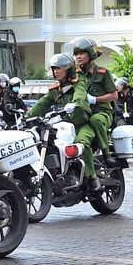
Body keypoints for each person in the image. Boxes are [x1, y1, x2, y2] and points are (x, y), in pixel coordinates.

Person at [25, 53, 97, 188]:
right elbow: (42, 104)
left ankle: (92, 177)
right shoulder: (55, 90)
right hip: (62, 126)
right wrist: (26, 118)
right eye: (54, 69)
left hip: (81, 125)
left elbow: (80, 96)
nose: (56, 71)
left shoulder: (78, 84)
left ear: (68, 70)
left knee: (81, 145)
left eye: (59, 68)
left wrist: (75, 103)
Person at [70, 37, 118, 166]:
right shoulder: (75, 75)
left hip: (102, 113)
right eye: (76, 54)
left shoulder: (103, 73)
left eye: (82, 53)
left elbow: (114, 95)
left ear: (91, 54)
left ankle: (106, 152)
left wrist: (95, 100)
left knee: (95, 120)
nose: (78, 57)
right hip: (82, 114)